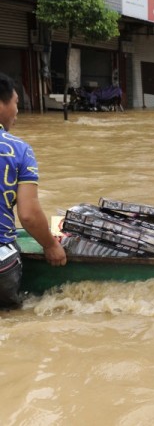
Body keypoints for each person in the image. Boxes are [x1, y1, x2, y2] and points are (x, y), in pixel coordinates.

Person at [0, 73, 66, 309]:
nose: (17, 111)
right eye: (16, 103)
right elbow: (27, 214)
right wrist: (51, 245)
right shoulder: (19, 149)